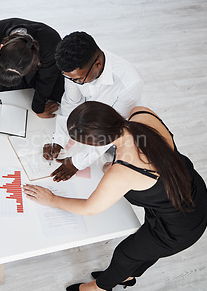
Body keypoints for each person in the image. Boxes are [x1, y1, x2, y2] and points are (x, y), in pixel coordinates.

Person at [25, 101, 207, 291]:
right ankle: (127, 276)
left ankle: (100, 287)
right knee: (144, 250)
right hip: (190, 192)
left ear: (98, 142)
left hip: (179, 228)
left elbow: (90, 208)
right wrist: (113, 167)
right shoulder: (142, 115)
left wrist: (52, 199)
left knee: (126, 254)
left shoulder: (123, 172)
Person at [43, 31, 143, 181]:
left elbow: (111, 131)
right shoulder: (76, 71)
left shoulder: (129, 83)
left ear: (98, 64)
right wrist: (59, 139)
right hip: (90, 126)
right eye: (69, 78)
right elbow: (72, 102)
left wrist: (76, 163)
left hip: (121, 135)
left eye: (78, 80)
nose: (74, 82)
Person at [0, 18, 64, 121]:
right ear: (0, 48)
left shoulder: (50, 42)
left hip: (47, 67)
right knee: (6, 93)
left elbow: (47, 78)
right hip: (10, 63)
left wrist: (38, 108)